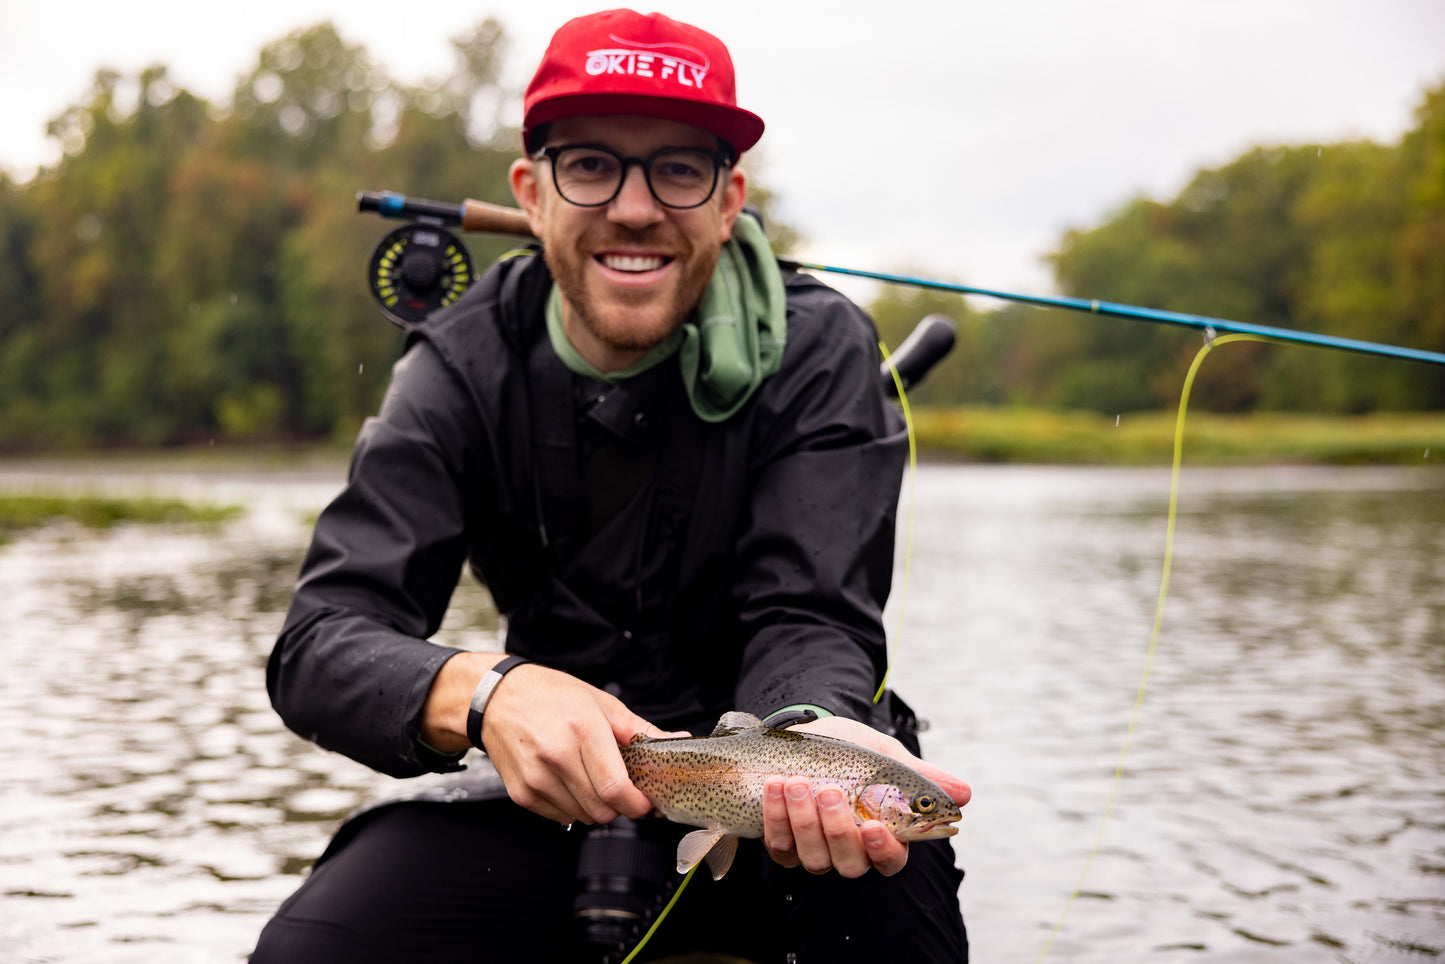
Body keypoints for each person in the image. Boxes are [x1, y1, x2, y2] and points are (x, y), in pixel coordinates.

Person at [253, 8, 970, 962]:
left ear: (728, 198)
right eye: (590, 164)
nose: (634, 207)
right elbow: (320, 642)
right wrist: (482, 694)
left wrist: (819, 738)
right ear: (533, 191)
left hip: (786, 801)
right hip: (543, 795)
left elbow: (809, 618)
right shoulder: (460, 363)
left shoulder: (821, 347)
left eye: (678, 167)